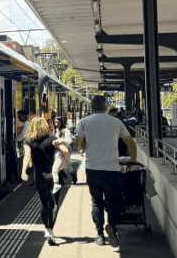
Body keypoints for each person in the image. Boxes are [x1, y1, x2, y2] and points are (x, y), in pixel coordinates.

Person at [75, 94, 137, 248]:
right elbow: (129, 141)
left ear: (91, 107)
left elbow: (77, 143)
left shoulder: (84, 122)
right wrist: (133, 158)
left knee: (96, 202)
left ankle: (100, 235)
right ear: (106, 107)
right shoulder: (116, 122)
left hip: (92, 169)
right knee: (113, 201)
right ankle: (113, 227)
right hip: (112, 169)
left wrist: (86, 147)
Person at [25, 117, 68, 246]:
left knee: (44, 202)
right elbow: (65, 151)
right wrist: (64, 165)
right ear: (45, 126)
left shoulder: (28, 141)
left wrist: (23, 171)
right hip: (54, 175)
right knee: (54, 204)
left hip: (39, 175)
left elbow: (27, 156)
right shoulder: (53, 138)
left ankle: (46, 229)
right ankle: (50, 230)